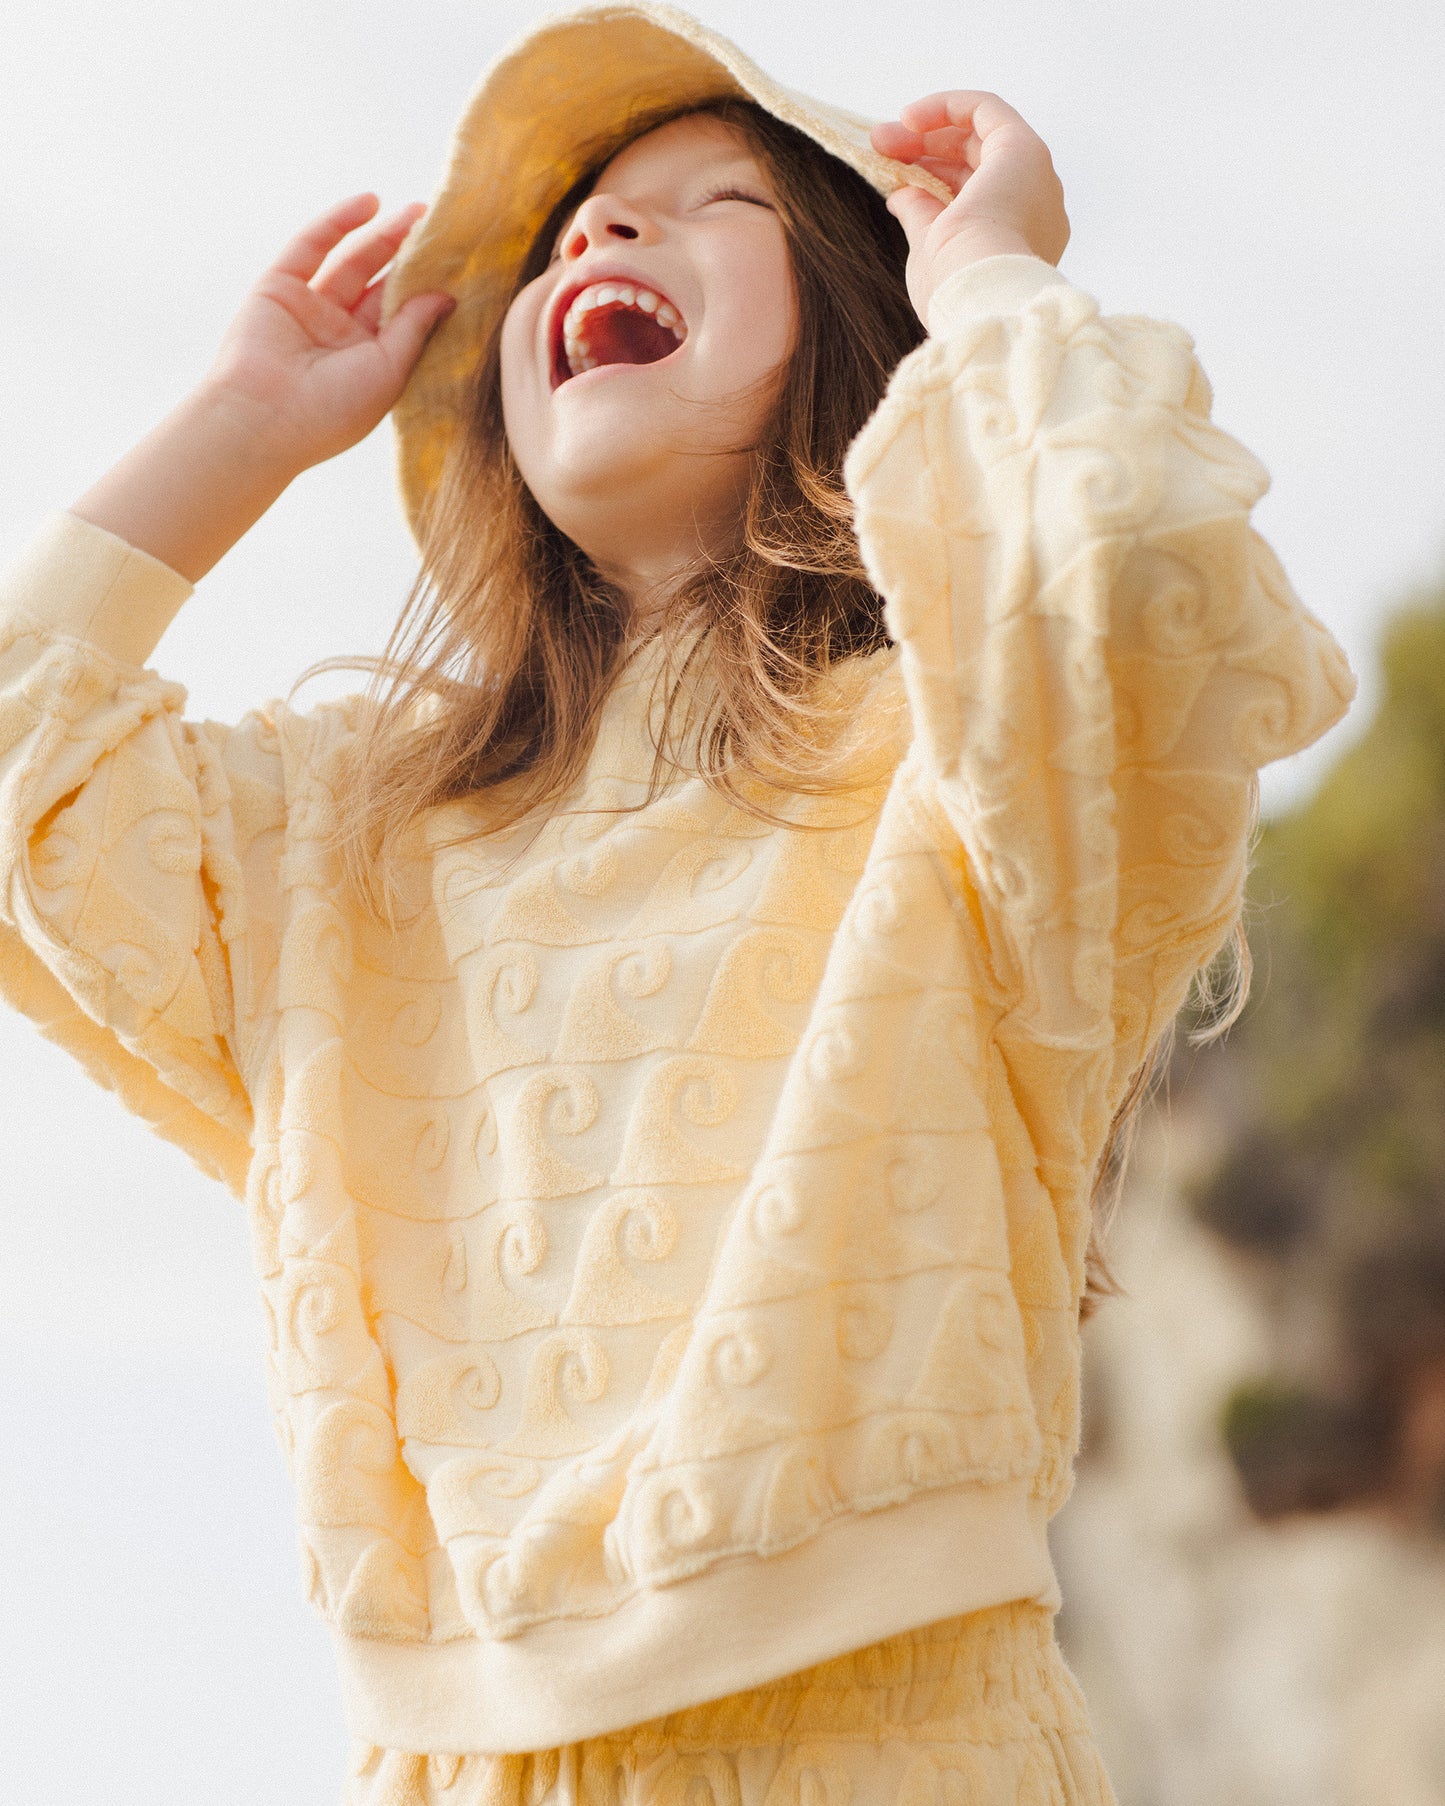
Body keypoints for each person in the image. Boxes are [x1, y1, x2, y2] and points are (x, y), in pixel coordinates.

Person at [0, 4, 1355, 1802]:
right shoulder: (351, 830)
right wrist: (238, 424)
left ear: (854, 345)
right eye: (572, 225)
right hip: (445, 1762)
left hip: (891, 1730)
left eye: (708, 198)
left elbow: (1117, 561)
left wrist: (986, 271)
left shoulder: (955, 746)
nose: (596, 234)